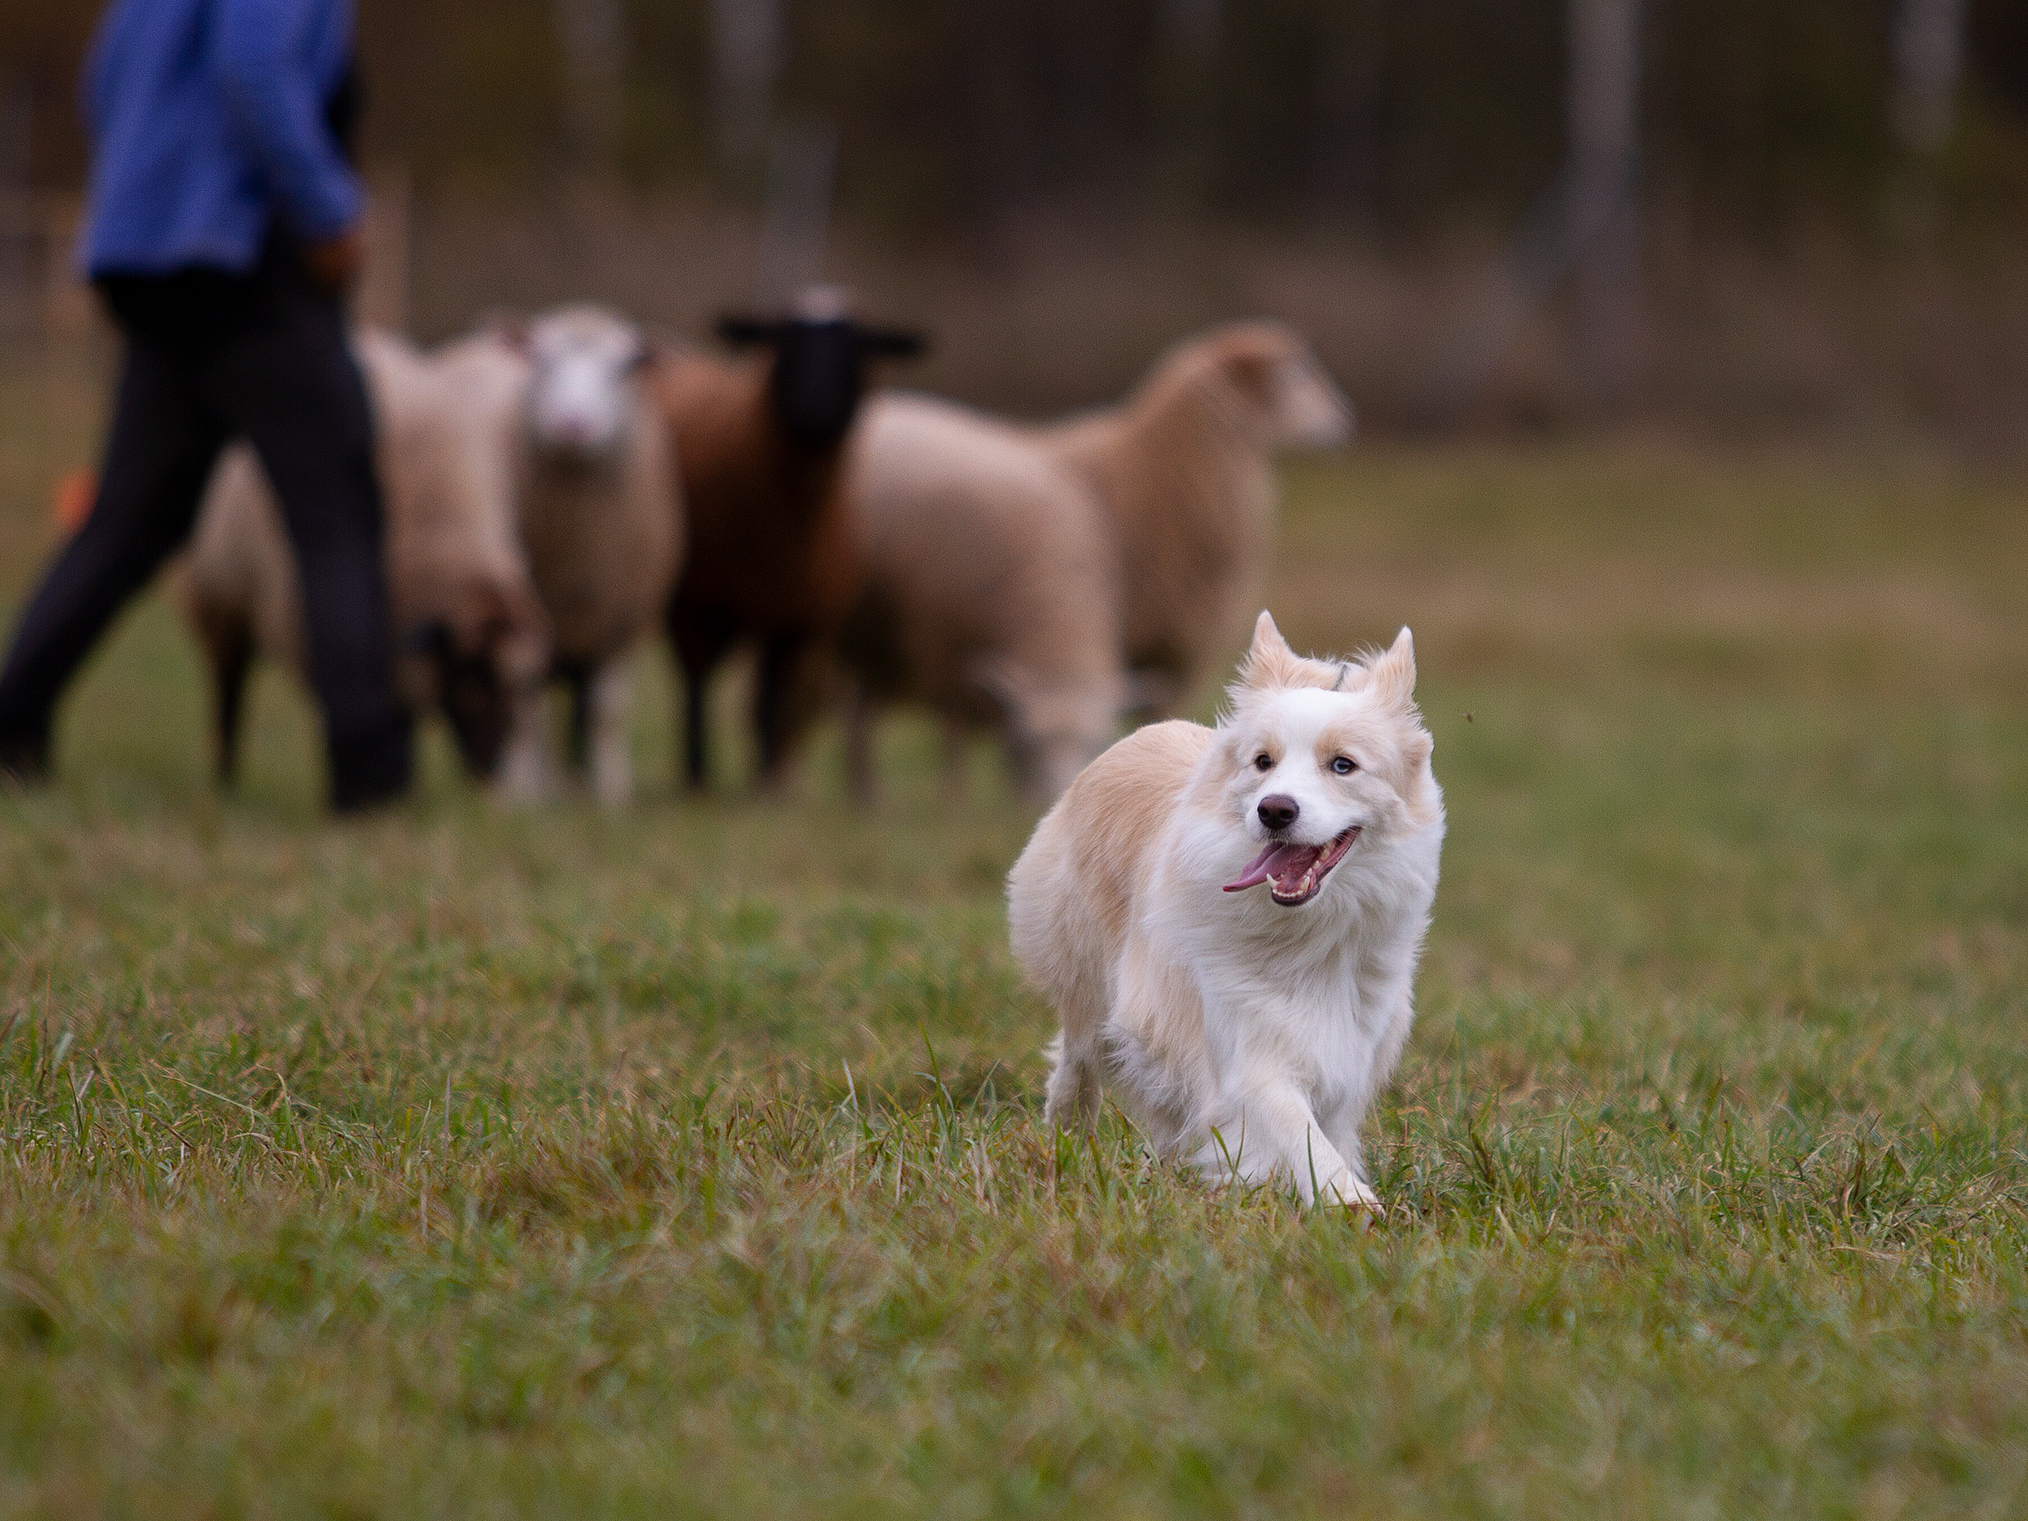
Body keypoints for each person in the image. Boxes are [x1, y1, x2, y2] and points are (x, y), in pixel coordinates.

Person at [0, 0, 411, 811]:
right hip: (241, 258)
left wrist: (150, 188)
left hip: (148, 260)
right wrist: (329, 207)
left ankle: (13, 715)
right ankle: (369, 770)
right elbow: (253, 70)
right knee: (336, 500)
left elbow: (100, 86)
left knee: (132, 518)